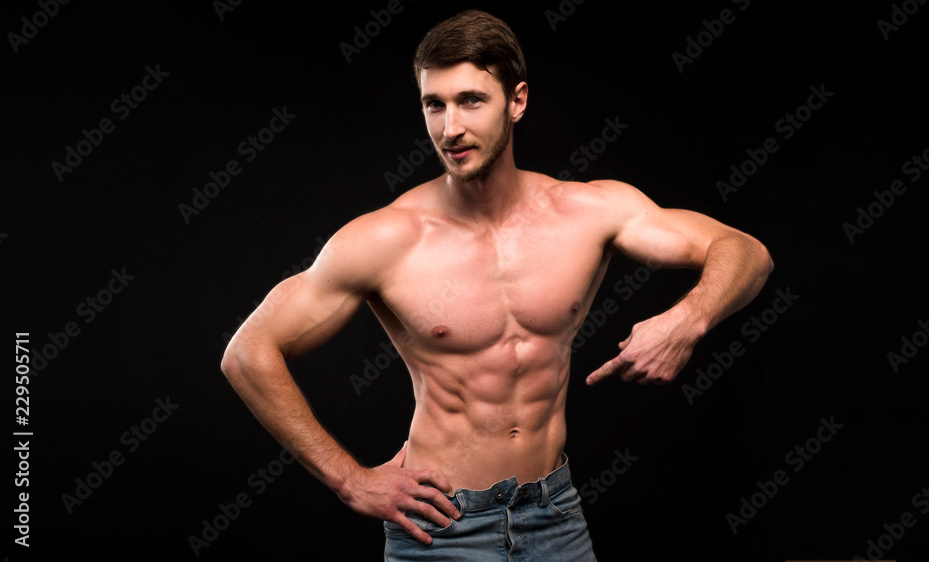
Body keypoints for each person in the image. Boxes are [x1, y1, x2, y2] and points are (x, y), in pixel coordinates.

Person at [220, 9, 773, 561]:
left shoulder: (587, 210)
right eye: (433, 105)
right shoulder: (387, 238)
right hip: (441, 529)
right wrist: (349, 480)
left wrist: (687, 319)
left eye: (471, 101)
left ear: (518, 101)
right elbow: (247, 353)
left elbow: (746, 251)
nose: (449, 128)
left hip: (556, 517)